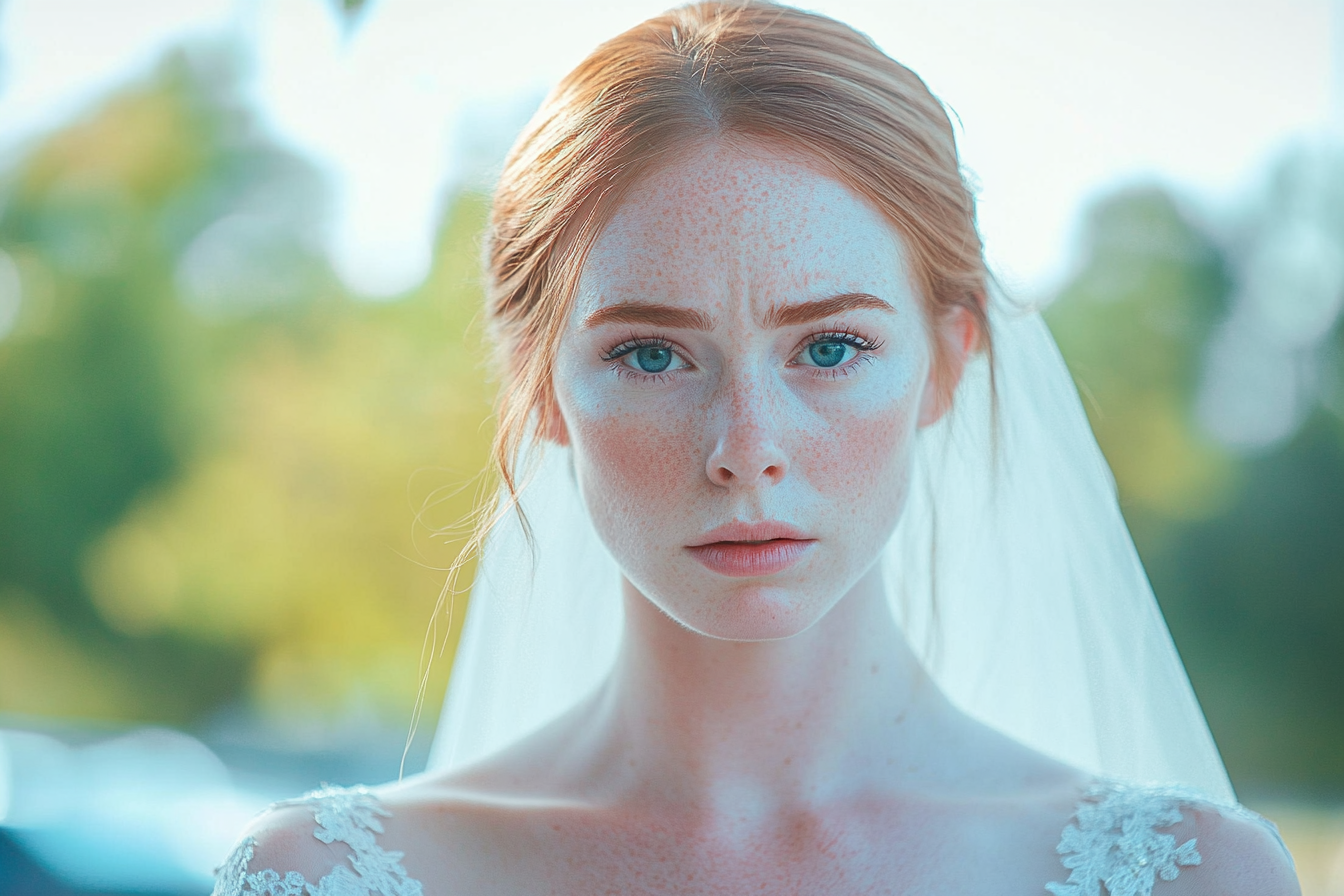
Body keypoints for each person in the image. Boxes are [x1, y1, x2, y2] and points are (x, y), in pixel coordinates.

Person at [213, 3, 1301, 894]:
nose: (747, 448)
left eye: (829, 345)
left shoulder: (1189, 878)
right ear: (538, 383)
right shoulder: (329, 877)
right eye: (650, 355)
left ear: (945, 361)